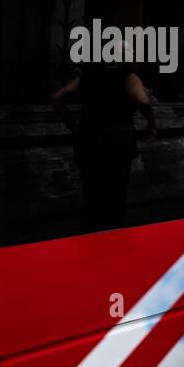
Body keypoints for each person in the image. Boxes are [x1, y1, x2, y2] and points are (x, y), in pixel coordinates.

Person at [52, 49, 156, 231]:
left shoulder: (88, 77)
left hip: (89, 139)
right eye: (131, 54)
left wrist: (70, 122)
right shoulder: (129, 77)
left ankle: (90, 234)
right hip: (116, 142)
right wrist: (151, 124)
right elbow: (143, 102)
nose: (134, 58)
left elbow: (57, 98)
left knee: (91, 193)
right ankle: (110, 236)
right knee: (115, 192)